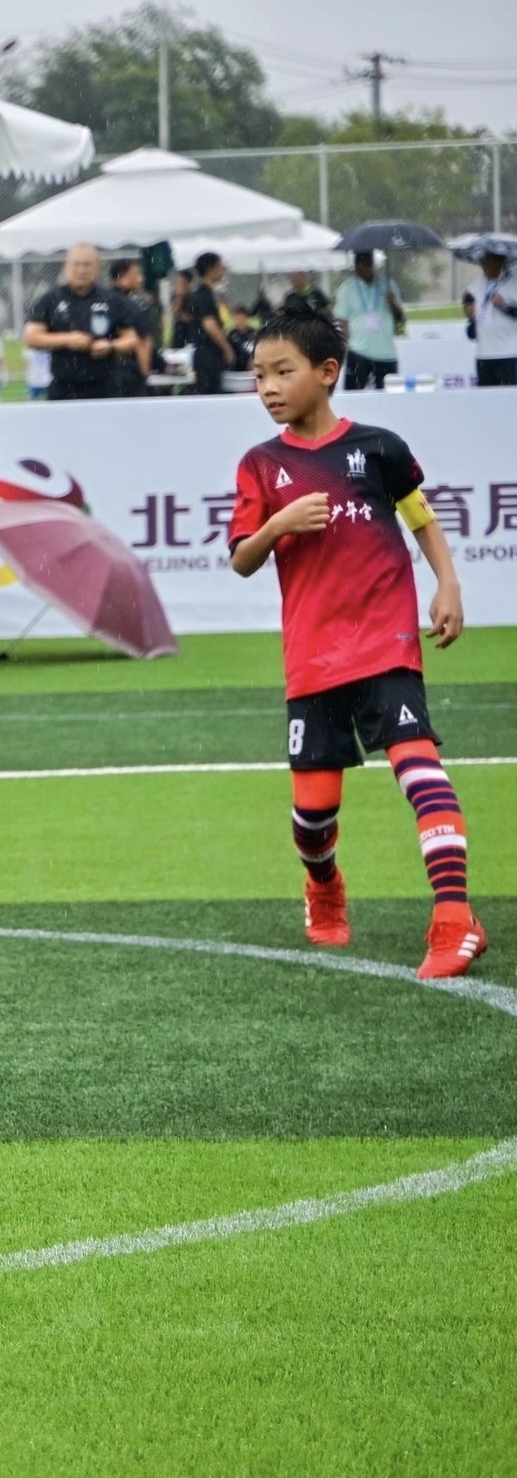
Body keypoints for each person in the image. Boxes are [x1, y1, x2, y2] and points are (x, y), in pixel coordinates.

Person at [226, 310, 480, 979]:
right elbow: (242, 559)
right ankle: (324, 886)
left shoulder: (378, 447)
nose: (268, 387)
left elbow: (420, 517)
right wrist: (279, 521)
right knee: (313, 817)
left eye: (283, 371)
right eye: (258, 375)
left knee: (420, 770)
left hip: (386, 643)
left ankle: (455, 918)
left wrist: (448, 582)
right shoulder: (261, 466)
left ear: (327, 372)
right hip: (311, 658)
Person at [24, 243, 145, 402]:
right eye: (76, 265)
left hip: (105, 388)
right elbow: (31, 337)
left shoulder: (112, 300)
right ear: (65, 267)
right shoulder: (51, 299)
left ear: (98, 268)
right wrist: (67, 340)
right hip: (63, 388)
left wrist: (110, 346)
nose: (81, 270)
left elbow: (131, 339)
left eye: (87, 265)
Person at [332, 252, 407, 391]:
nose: (364, 270)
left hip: (386, 353)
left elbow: (401, 318)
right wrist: (345, 343)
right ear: (355, 267)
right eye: (360, 267)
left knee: (390, 399)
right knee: (353, 396)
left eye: (368, 265)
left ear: (373, 265)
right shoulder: (347, 289)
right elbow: (342, 321)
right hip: (358, 352)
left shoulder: (388, 285)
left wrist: (392, 303)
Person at [178, 252, 236, 394]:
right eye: (220, 266)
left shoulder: (208, 294)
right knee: (211, 393)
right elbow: (209, 325)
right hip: (208, 355)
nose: (223, 270)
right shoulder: (203, 295)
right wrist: (226, 348)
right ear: (210, 269)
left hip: (206, 354)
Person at [467, 246, 515, 387]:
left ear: (500, 263)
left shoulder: (514, 282)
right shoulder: (478, 285)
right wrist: (470, 314)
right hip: (484, 354)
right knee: (486, 401)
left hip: (509, 354)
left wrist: (504, 306)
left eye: (487, 262)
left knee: (509, 401)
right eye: (483, 262)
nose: (484, 266)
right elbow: (468, 298)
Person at [110, 258, 158, 395]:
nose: (140, 279)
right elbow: (142, 342)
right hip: (129, 373)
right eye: (136, 274)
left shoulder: (103, 300)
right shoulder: (131, 305)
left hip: (107, 371)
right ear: (121, 277)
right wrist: (146, 373)